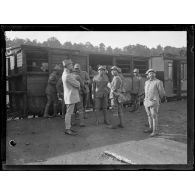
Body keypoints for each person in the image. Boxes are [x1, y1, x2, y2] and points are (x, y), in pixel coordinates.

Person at [143, 69, 166, 137]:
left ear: (155, 74)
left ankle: (155, 131)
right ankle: (150, 128)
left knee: (154, 116)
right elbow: (145, 91)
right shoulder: (146, 82)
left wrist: (158, 99)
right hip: (146, 101)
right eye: (150, 73)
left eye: (153, 73)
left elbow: (162, 93)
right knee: (149, 115)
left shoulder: (158, 82)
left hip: (154, 102)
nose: (151, 74)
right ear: (148, 75)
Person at [62, 58, 81, 136]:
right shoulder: (68, 76)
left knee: (69, 113)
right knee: (69, 113)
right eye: (71, 64)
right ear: (67, 66)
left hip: (69, 96)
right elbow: (78, 84)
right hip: (71, 96)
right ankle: (67, 129)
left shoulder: (66, 74)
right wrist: (78, 83)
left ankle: (68, 127)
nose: (72, 66)